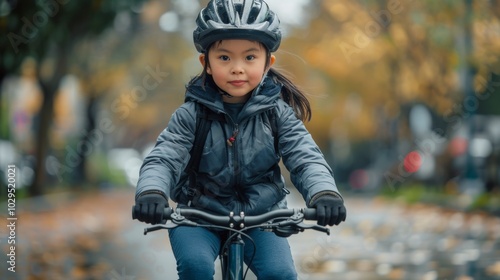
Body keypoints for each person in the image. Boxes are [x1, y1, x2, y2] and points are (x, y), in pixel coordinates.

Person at [133, 0, 347, 279]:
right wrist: (152, 192)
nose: (237, 68)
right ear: (206, 63)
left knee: (280, 273)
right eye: (224, 58)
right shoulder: (191, 115)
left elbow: (305, 156)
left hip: (262, 217)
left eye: (249, 57)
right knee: (195, 267)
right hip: (198, 217)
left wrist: (324, 193)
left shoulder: (276, 114)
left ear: (267, 63)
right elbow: (165, 156)